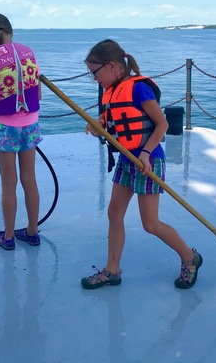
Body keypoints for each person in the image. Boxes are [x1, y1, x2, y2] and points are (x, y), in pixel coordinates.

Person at [81, 39, 202, 289]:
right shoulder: (111, 91)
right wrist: (99, 126)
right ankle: (112, 270)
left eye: (95, 73)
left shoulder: (138, 89)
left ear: (113, 67)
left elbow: (162, 124)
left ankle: (190, 258)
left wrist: (146, 152)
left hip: (148, 161)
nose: (95, 79)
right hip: (127, 161)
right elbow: (112, 120)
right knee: (114, 213)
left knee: (151, 224)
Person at [0, 13, 42, 250]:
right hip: (31, 125)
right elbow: (38, 94)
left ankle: (9, 237)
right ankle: (33, 232)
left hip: (5, 127)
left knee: (8, 183)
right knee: (29, 179)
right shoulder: (28, 52)